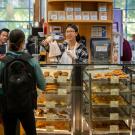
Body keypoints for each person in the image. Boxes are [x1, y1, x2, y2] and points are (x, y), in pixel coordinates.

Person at [0, 29, 45, 135]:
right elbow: (42, 85)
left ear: (9, 41)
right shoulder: (32, 61)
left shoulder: (2, 62)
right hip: (27, 105)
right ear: (23, 42)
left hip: (8, 106)